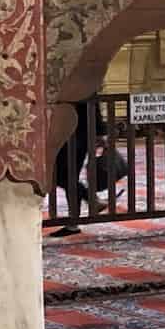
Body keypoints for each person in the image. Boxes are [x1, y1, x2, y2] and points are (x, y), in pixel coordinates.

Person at [52, 97, 98, 237]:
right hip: (69, 135)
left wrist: (100, 132)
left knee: (65, 177)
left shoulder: (81, 84)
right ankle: (89, 202)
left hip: (76, 136)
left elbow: (93, 106)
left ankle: (78, 216)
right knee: (65, 177)